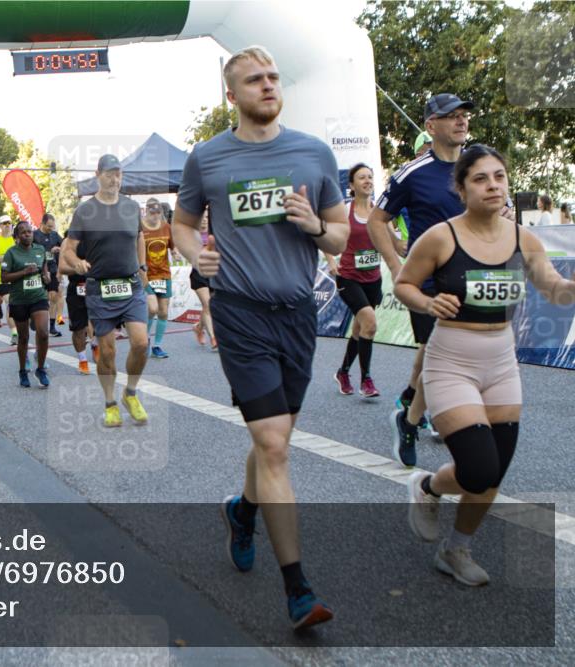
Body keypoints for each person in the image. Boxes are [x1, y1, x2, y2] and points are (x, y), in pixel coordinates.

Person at [172, 46, 349, 629]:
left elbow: (341, 237)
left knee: (274, 439)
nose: (269, 86)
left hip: (298, 314)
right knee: (274, 445)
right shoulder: (208, 159)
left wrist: (317, 226)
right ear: (233, 95)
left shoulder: (313, 152)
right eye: (255, 80)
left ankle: (241, 511)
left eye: (273, 77)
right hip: (242, 313)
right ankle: (298, 590)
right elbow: (181, 223)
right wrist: (202, 258)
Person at [394, 144, 575, 585]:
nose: (492, 185)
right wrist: (428, 300)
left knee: (494, 473)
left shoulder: (522, 238)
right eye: (480, 178)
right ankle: (428, 487)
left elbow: (554, 289)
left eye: (499, 176)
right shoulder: (441, 237)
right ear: (461, 188)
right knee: (478, 469)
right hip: (451, 360)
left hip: (501, 362)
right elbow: (404, 286)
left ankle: (456, 549)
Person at [368, 93, 478, 466]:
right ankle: (417, 420)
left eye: (464, 116)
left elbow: (499, 211)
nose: (461, 122)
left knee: (433, 354)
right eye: (451, 117)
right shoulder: (411, 173)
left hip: (472, 279)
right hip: (428, 284)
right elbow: (376, 220)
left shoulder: (478, 166)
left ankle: (408, 407)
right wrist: (397, 269)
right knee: (445, 354)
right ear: (431, 126)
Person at [61, 154, 150, 428]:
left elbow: (139, 236)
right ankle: (110, 402)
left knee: (141, 343)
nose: (115, 179)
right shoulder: (86, 211)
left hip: (130, 284)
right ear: (98, 174)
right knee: (108, 351)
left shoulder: (131, 207)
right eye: (110, 173)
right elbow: (68, 247)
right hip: (100, 288)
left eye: (119, 174)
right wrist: (76, 262)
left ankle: (130, 393)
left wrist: (143, 266)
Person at [326, 163, 382, 398]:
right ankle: (366, 380)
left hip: (374, 278)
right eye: (362, 177)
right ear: (351, 185)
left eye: (370, 177)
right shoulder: (344, 210)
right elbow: (325, 233)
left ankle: (343, 371)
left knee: (360, 329)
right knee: (369, 322)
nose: (367, 181)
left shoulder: (379, 211)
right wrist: (330, 260)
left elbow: (389, 240)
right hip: (348, 277)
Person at [0, 221, 51, 387]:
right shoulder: (11, 253)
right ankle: (22, 371)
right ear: (17, 236)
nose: (27, 234)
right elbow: (4, 277)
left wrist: (46, 276)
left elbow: (44, 267)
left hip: (38, 297)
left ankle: (41, 369)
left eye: (29, 231)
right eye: (23, 232)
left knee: (43, 333)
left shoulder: (40, 249)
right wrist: (24, 272)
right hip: (19, 300)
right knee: (23, 338)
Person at [141, 197, 175, 359]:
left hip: (163, 274)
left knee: (163, 312)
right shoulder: (140, 228)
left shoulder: (166, 227)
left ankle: (157, 345)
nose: (155, 215)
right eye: (152, 212)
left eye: (158, 212)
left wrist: (175, 253)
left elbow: (173, 247)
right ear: (146, 210)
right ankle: (144, 340)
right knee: (152, 309)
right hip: (147, 275)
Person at [59, 231, 93, 375]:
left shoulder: (98, 237)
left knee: (100, 323)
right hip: (77, 287)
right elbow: (62, 267)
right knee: (79, 328)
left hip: (97, 285)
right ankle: (83, 360)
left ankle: (96, 345)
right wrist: (78, 268)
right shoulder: (68, 242)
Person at [33, 213, 64, 337]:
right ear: (42, 223)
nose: (51, 229)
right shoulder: (34, 235)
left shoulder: (55, 235)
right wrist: (47, 252)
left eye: (53, 226)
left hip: (52, 268)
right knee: (41, 298)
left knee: (54, 296)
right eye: (49, 226)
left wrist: (59, 248)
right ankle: (35, 319)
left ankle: (51, 326)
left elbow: (66, 246)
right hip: (38, 270)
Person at [189, 212, 217, 351]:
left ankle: (199, 327)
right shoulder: (192, 235)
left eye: (207, 218)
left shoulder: (214, 233)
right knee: (207, 304)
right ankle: (213, 338)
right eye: (202, 218)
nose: (204, 221)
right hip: (198, 274)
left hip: (213, 273)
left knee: (209, 306)